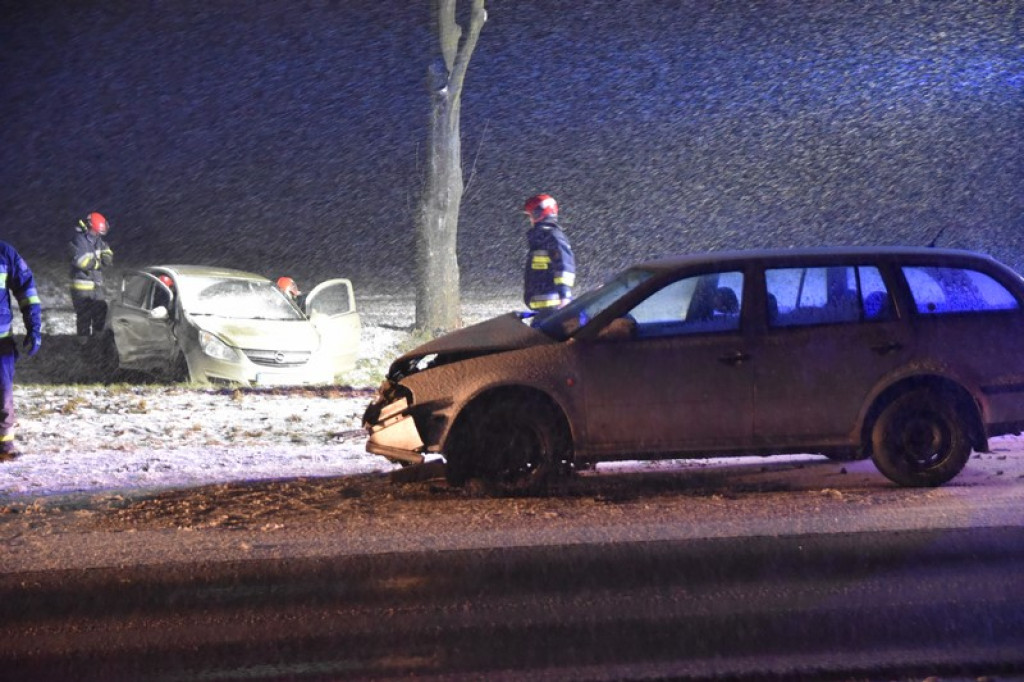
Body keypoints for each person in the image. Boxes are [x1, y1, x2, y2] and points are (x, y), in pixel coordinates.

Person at [1, 240, 42, 461]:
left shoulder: (4, 253)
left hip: (1, 342)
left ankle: (4, 444)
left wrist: (34, 327)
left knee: (3, 394)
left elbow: (27, 291)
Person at [521, 194, 576, 314]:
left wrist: (565, 295)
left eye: (530, 215)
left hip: (554, 307)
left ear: (538, 214)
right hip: (543, 308)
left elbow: (564, 267)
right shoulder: (540, 239)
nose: (530, 219)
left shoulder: (553, 237)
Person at [68, 212, 114, 343]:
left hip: (96, 286)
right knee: (84, 317)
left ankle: (97, 343)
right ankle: (83, 346)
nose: (99, 234)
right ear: (91, 227)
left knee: (101, 312)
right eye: (97, 231)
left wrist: (107, 256)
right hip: (82, 286)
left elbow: (107, 253)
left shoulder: (98, 240)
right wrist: (98, 262)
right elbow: (81, 262)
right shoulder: (78, 240)